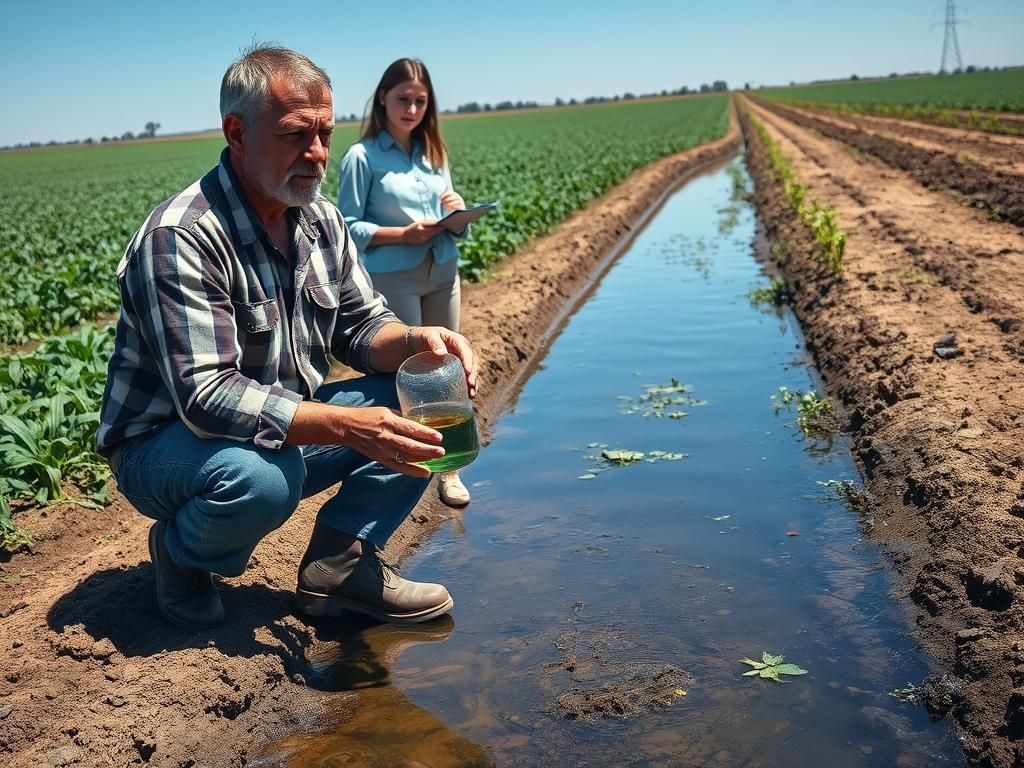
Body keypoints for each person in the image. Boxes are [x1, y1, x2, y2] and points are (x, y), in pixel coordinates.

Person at [95, 44, 477, 631]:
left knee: (418, 405)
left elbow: (362, 327)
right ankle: (180, 554)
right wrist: (347, 425)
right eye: (298, 134)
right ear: (237, 133)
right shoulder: (182, 238)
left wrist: (418, 343)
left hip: (274, 421)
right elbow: (207, 397)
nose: (318, 153)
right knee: (264, 480)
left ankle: (342, 564)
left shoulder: (320, 220)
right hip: (167, 446)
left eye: (325, 133)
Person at [338, 58, 473, 509]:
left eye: (420, 101)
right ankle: (402, 468)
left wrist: (458, 215)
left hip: (443, 269)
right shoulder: (362, 157)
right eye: (403, 99)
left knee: (446, 369)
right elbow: (347, 226)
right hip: (395, 275)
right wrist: (403, 234)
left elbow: (453, 224)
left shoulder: (435, 154)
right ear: (382, 98)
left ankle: (448, 470)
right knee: (412, 377)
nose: (412, 108)